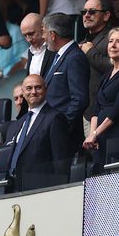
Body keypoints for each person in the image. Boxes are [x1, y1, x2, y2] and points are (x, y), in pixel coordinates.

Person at [83, 28, 119, 169]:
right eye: (110, 41)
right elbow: (96, 109)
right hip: (100, 139)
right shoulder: (106, 75)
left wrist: (95, 133)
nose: (113, 45)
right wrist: (92, 136)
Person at [7, 74, 71, 192]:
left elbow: (61, 161)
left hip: (42, 188)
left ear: (46, 89)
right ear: (23, 92)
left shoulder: (55, 117)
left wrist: (60, 190)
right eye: (29, 88)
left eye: (38, 87)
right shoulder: (18, 123)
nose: (33, 92)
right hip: (15, 187)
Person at [42, 13, 90, 153]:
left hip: (65, 135)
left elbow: (79, 99)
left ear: (53, 35)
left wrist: (63, 125)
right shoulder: (58, 56)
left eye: (44, 32)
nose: (43, 37)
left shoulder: (74, 57)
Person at [80, 0, 114, 126]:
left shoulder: (114, 37)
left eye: (92, 11)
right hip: (84, 111)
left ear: (106, 15)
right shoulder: (82, 42)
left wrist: (90, 52)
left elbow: (116, 67)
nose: (87, 15)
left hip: (104, 111)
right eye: (84, 12)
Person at [21, 13, 54, 78]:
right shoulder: (30, 51)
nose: (28, 39)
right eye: (25, 36)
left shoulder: (55, 49)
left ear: (43, 29)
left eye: (31, 34)